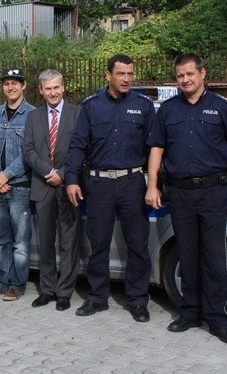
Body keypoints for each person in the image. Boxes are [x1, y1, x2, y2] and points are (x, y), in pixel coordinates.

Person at [145, 53, 227, 344]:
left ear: (202, 74)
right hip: (178, 193)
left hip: (212, 193)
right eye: (180, 75)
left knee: (214, 257)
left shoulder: (221, 107)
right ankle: (189, 313)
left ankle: (217, 319)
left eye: (190, 74)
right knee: (187, 255)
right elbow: (156, 149)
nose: (185, 80)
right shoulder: (167, 110)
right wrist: (152, 186)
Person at [65, 54, 155, 320]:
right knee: (98, 243)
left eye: (130, 74)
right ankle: (97, 297)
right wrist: (71, 179)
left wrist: (155, 183)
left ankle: (138, 300)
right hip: (99, 183)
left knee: (138, 244)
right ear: (108, 75)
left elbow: (155, 148)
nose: (126, 79)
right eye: (121, 74)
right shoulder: (91, 107)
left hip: (132, 183)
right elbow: (78, 145)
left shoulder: (143, 106)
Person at [23, 70, 81, 311]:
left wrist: (64, 174)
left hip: (69, 186)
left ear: (63, 87)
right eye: (48, 89)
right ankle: (47, 289)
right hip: (43, 185)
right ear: (40, 90)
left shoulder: (78, 114)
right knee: (46, 241)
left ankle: (64, 291)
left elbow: (82, 149)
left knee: (69, 241)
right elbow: (28, 150)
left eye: (56, 87)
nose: (53, 92)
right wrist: (49, 172)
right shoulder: (33, 117)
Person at [0, 68, 35, 301]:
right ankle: (1, 282)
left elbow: (30, 152)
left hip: (20, 186)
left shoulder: (33, 115)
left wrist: (7, 175)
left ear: (24, 86)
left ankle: (17, 285)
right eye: (6, 84)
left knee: (20, 241)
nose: (10, 87)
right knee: (2, 239)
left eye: (15, 83)